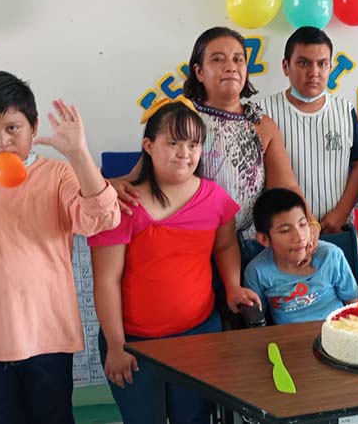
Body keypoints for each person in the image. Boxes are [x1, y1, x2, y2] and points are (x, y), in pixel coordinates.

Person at [0, 71, 120, 424]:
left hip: (48, 338)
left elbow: (102, 219)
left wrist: (78, 153)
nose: (1, 141)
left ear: (33, 127)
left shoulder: (58, 175)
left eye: (13, 128)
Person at [89, 97, 259, 424]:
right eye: (173, 142)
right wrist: (116, 344)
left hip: (198, 337)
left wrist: (233, 286)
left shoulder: (215, 198)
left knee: (194, 418)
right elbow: (106, 280)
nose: (184, 152)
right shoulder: (122, 205)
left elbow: (224, 248)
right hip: (134, 343)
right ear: (149, 146)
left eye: (194, 144)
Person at [113, 27, 320, 265]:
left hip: (251, 249)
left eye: (238, 59)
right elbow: (140, 177)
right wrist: (109, 187)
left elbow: (286, 188)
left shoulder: (262, 124)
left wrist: (310, 223)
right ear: (199, 71)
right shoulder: (180, 119)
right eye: (218, 59)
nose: (230, 66)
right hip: (190, 242)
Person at [257, 27, 358, 233]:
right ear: (285, 66)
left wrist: (341, 213)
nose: (314, 73)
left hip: (337, 229)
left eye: (322, 64)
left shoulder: (344, 110)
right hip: (286, 235)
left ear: (330, 66)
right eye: (303, 63)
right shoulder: (263, 113)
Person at [245, 188, 358, 324]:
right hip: (289, 341)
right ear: (264, 239)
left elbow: (353, 304)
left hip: (337, 334)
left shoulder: (330, 256)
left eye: (303, 224)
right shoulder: (257, 271)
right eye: (285, 231)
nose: (300, 237)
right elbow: (257, 320)